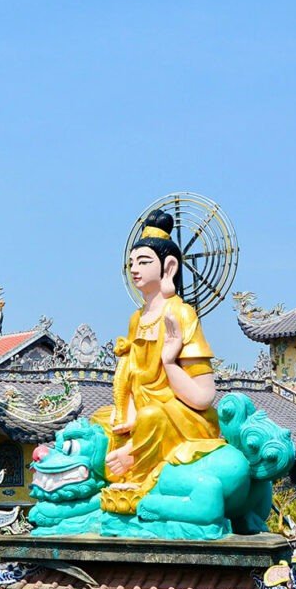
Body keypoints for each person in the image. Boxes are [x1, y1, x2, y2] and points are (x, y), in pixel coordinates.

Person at [93, 209, 223, 512]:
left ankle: (137, 469)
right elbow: (133, 379)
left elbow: (203, 397)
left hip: (178, 417)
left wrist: (168, 362)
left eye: (144, 261)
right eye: (132, 263)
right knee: (100, 421)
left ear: (169, 267)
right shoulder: (136, 319)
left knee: (152, 416)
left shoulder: (181, 314)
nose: (135, 270)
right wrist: (126, 416)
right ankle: (126, 462)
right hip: (143, 413)